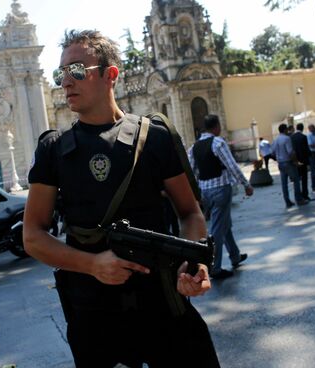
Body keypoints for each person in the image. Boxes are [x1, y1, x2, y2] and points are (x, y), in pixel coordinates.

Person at [24, 30, 220, 367]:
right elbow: (33, 237)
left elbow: (190, 213)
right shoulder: (53, 149)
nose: (65, 82)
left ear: (110, 74)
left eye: (77, 71)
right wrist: (92, 264)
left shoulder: (154, 137)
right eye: (61, 74)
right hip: (93, 313)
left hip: (162, 302)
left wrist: (192, 263)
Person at [189, 114, 252, 280]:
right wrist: (246, 184)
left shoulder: (194, 147)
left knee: (225, 224)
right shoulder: (218, 143)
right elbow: (231, 165)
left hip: (205, 190)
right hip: (220, 189)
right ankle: (214, 267)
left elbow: (192, 172)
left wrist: (196, 194)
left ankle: (235, 256)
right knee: (217, 229)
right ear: (216, 127)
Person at [272, 124, 308, 208]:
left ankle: (287, 200)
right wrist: (295, 161)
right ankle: (298, 199)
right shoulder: (287, 139)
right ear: (285, 130)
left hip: (280, 162)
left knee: (284, 183)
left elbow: (272, 152)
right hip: (288, 162)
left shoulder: (276, 140)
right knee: (296, 180)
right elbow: (290, 152)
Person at [290, 123, 313, 201]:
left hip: (295, 160)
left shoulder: (292, 137)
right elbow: (306, 149)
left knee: (297, 179)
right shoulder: (303, 137)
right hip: (303, 160)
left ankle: (298, 195)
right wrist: (309, 159)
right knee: (304, 178)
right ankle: (305, 194)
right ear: (302, 128)